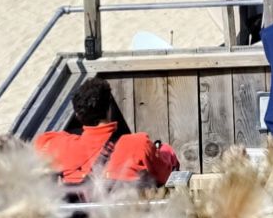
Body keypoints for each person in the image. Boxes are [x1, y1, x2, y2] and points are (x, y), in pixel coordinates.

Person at [35, 76, 178, 192]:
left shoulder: (60, 146)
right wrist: (165, 150)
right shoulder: (138, 144)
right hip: (129, 216)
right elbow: (164, 175)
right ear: (110, 108)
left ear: (78, 116)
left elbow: (39, 143)